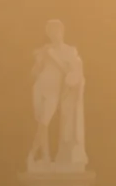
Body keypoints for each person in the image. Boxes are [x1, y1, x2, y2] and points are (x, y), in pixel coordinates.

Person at [28, 19, 88, 167]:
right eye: (51, 32)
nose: (54, 35)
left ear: (62, 32)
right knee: (42, 123)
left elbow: (74, 73)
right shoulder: (45, 50)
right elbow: (34, 73)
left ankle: (32, 153)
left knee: (44, 122)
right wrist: (41, 59)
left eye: (57, 31)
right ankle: (46, 157)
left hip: (54, 92)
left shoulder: (69, 51)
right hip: (40, 87)